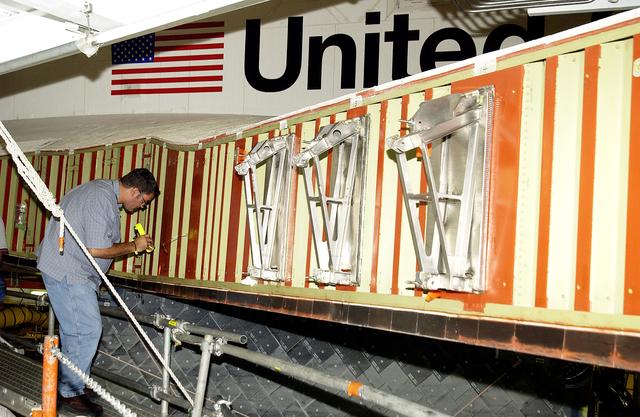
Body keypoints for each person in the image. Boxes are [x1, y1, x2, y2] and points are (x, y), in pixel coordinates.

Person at [36, 168, 159, 417]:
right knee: (89, 330)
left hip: (64, 268)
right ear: (134, 191)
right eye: (144, 201)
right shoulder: (101, 197)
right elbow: (97, 249)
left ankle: (74, 384)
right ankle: (71, 392)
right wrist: (135, 245)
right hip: (69, 272)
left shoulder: (100, 190)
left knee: (75, 332)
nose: (142, 207)